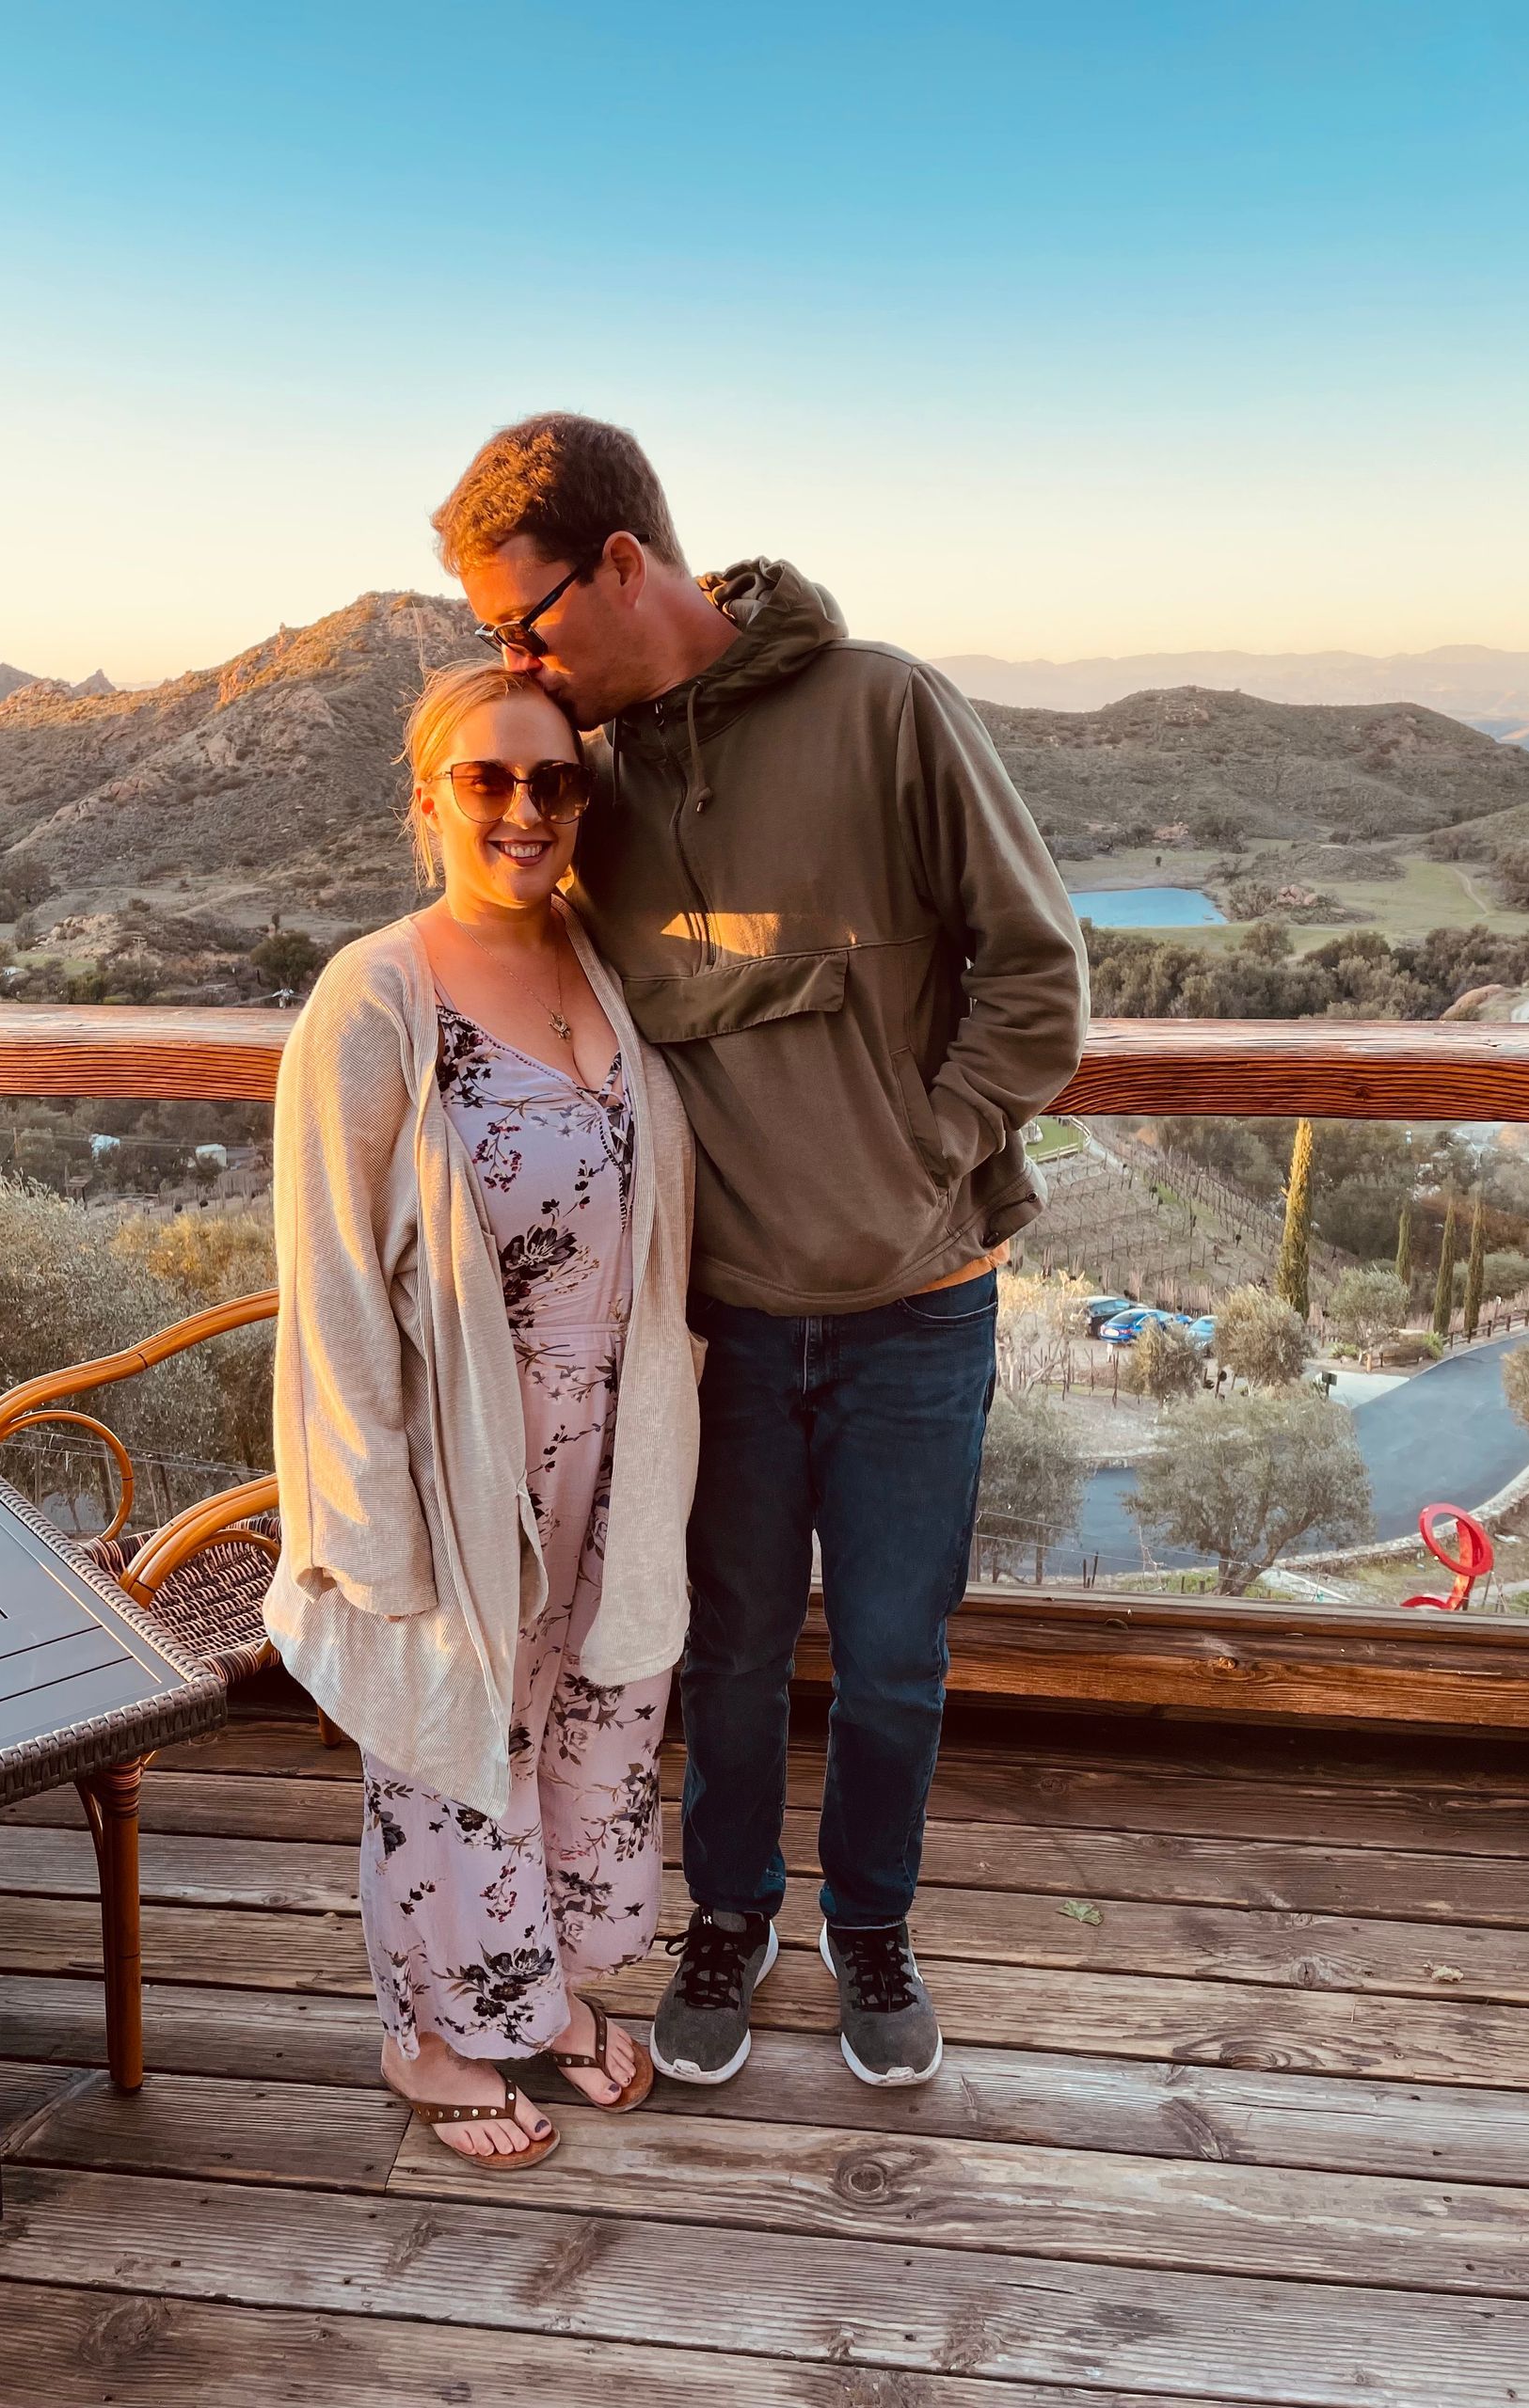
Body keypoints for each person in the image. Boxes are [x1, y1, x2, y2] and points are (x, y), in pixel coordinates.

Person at [431, 415, 1090, 2089]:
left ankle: (873, 1926)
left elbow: (1039, 973)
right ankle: (729, 1914)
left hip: (916, 1309)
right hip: (711, 1325)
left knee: (892, 1662)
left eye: (527, 623)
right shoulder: (590, 784)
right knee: (718, 1652)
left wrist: (925, 1154)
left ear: (624, 564)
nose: (519, 662)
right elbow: (496, 939)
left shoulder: (887, 707)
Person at [263, 658, 701, 2166]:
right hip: (465, 1453)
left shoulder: (597, 956)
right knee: (453, 1740)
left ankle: (539, 1996)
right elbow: (329, 1279)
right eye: (488, 779)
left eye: (555, 779)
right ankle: (431, 2035)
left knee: (585, 1714)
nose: (526, 808)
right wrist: (369, 1516)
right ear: (430, 800)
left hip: (616, 1439)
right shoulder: (375, 993)